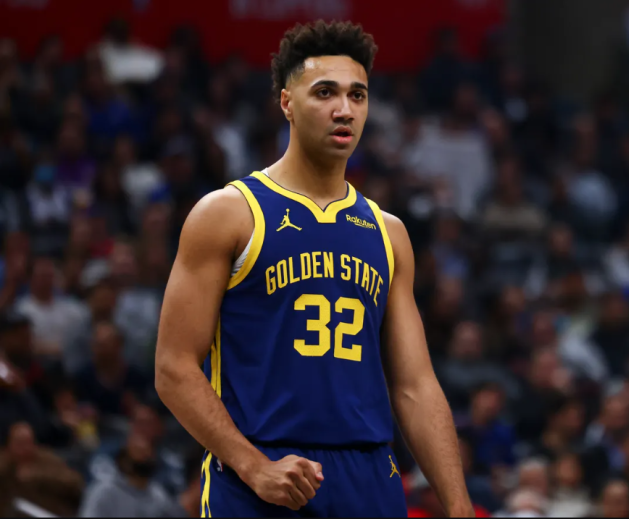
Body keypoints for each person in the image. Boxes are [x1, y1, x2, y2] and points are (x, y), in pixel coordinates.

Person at [154, 20, 472, 518]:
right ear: (286, 102)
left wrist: (458, 505)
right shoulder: (229, 213)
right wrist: (253, 466)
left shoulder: (388, 233)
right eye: (325, 93)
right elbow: (173, 368)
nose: (344, 109)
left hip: (370, 477)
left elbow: (415, 386)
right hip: (262, 474)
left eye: (357, 95)